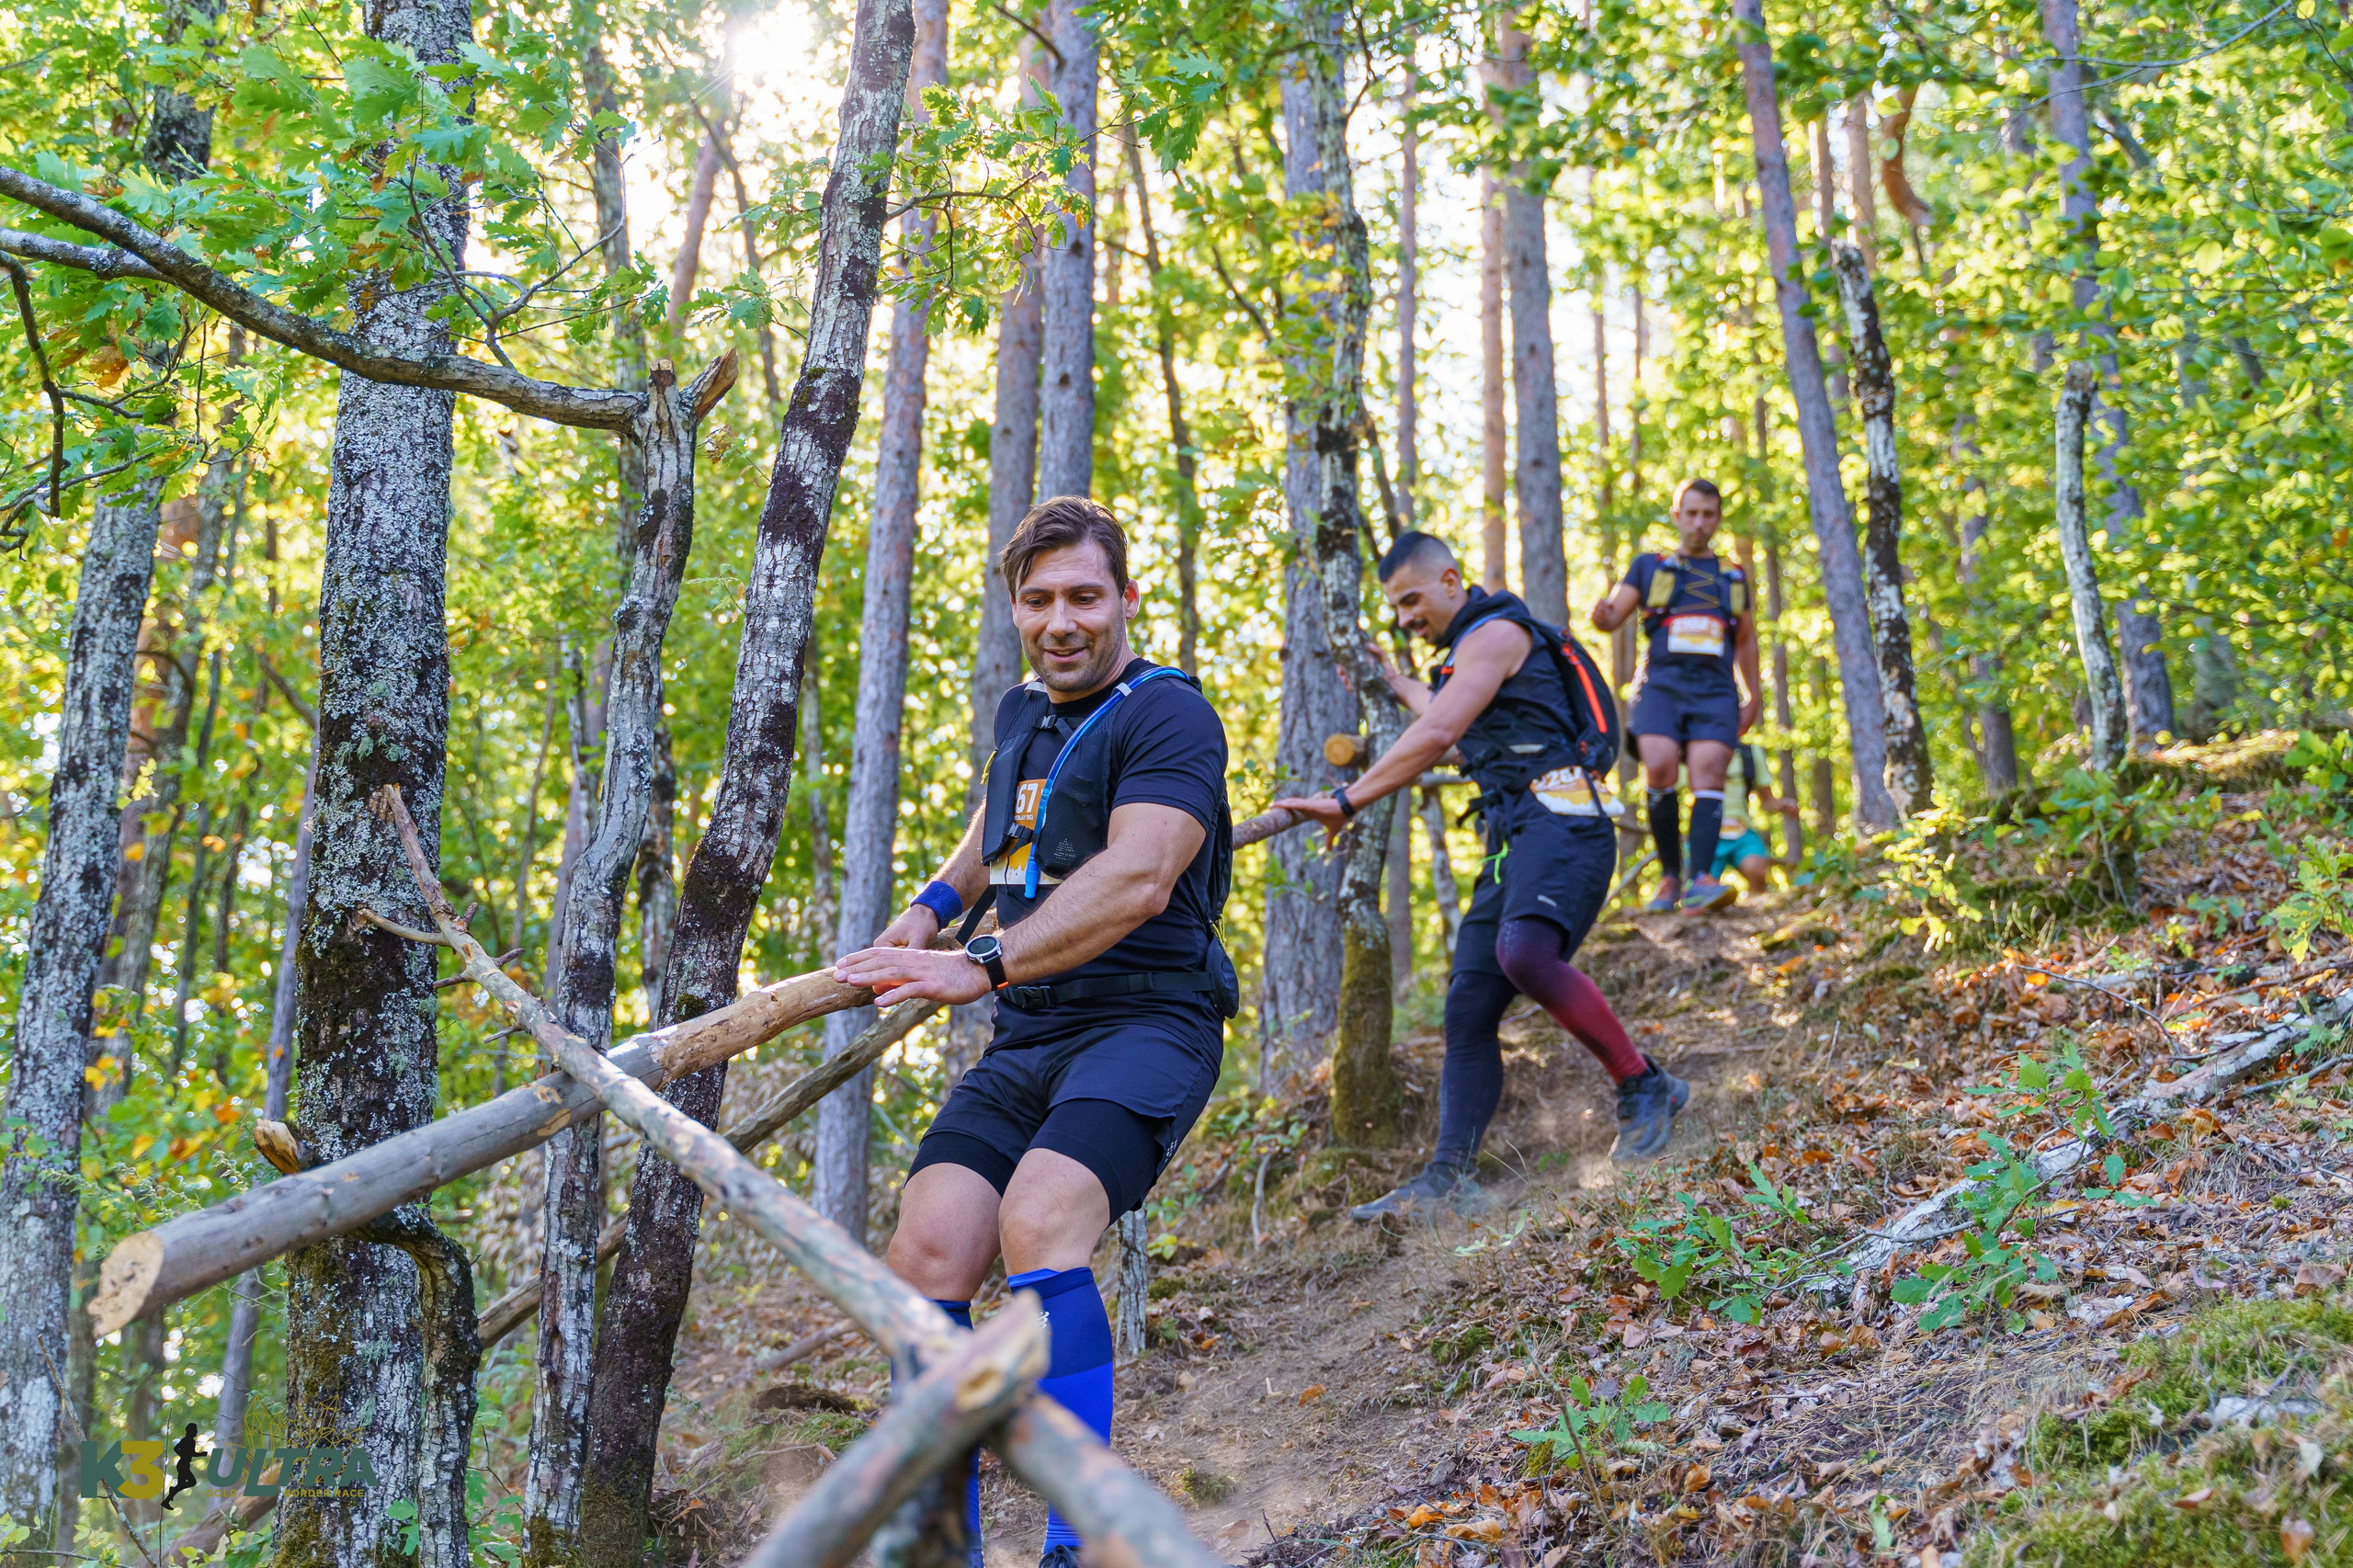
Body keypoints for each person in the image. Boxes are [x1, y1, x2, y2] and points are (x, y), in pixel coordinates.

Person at [833, 496, 1233, 1568]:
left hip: (1150, 1019)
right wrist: (929, 909)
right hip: (1030, 1030)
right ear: (1016, 607)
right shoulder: (1024, 708)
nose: (1062, 620)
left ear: (1126, 599)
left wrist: (981, 962)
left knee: (1041, 1220)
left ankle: (1078, 1539)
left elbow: (1140, 875)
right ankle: (942, 1537)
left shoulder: (1169, 716)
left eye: (1084, 597)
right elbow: (999, 829)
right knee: (926, 1250)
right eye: (1039, 598)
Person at [1270, 531, 1688, 1220]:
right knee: (1467, 1008)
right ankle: (1448, 1177)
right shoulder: (1467, 659)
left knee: (1524, 953)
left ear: (1451, 581)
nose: (1406, 617)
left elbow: (1436, 738)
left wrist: (1345, 801)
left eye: (1412, 599)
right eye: (1395, 608)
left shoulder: (1494, 635)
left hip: (1564, 822)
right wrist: (1391, 678)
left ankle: (1646, 1086)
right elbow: (1451, 724)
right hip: (1513, 835)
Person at [1590, 479, 1764, 915]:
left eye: (1708, 514)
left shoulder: (1733, 576)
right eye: (1692, 513)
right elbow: (1613, 615)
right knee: (1661, 765)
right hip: (1661, 686)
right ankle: (1670, 876)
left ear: (1718, 518)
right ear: (1676, 515)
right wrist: (1603, 616)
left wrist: (1754, 693)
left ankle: (1702, 878)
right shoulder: (1650, 567)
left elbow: (1745, 639)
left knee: (1710, 774)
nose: (1700, 523)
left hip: (1715, 690)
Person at [1709, 741, 1801, 895]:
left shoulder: (1749, 753)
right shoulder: (1696, 749)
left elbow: (1768, 801)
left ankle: (1755, 907)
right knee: (1705, 885)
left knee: (1757, 870)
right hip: (1708, 833)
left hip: (1742, 829)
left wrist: (1784, 805)